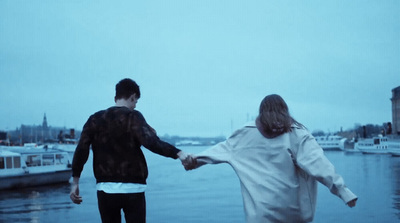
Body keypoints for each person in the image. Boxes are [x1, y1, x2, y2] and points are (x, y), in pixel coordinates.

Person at [187, 94, 357, 223]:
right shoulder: (298, 134)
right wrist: (343, 191)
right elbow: (319, 164)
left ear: (261, 111)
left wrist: (194, 160)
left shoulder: (244, 134)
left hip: (259, 215)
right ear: (285, 110)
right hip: (294, 213)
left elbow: (220, 150)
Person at [70, 78, 194, 223]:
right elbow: (152, 143)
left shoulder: (95, 119)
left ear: (115, 97)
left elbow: (81, 150)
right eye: (135, 102)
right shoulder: (133, 116)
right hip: (133, 189)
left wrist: (75, 182)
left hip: (105, 189)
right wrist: (178, 153)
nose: (135, 106)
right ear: (133, 96)